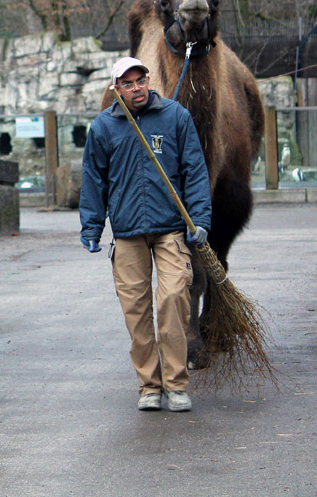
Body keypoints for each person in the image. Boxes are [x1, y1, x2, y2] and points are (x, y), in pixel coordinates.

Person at [79, 57, 211, 413]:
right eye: (128, 83)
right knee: (136, 313)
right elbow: (94, 179)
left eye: (141, 80)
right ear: (115, 89)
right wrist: (91, 226)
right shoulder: (104, 128)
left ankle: (176, 383)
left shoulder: (175, 117)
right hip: (127, 233)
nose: (136, 88)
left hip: (170, 229)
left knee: (172, 300)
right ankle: (149, 386)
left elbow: (195, 171)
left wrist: (199, 220)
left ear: (149, 80)